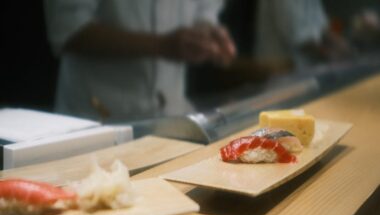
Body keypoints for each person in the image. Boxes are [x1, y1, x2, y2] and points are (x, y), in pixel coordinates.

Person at [44, 0, 236, 122]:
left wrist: (206, 32)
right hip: (98, 118)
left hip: (173, 116)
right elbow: (69, 29)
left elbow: (206, 7)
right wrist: (163, 46)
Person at [254, 0, 351, 71]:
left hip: (306, 73)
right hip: (285, 79)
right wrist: (335, 54)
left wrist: (343, 44)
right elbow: (300, 38)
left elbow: (321, 28)